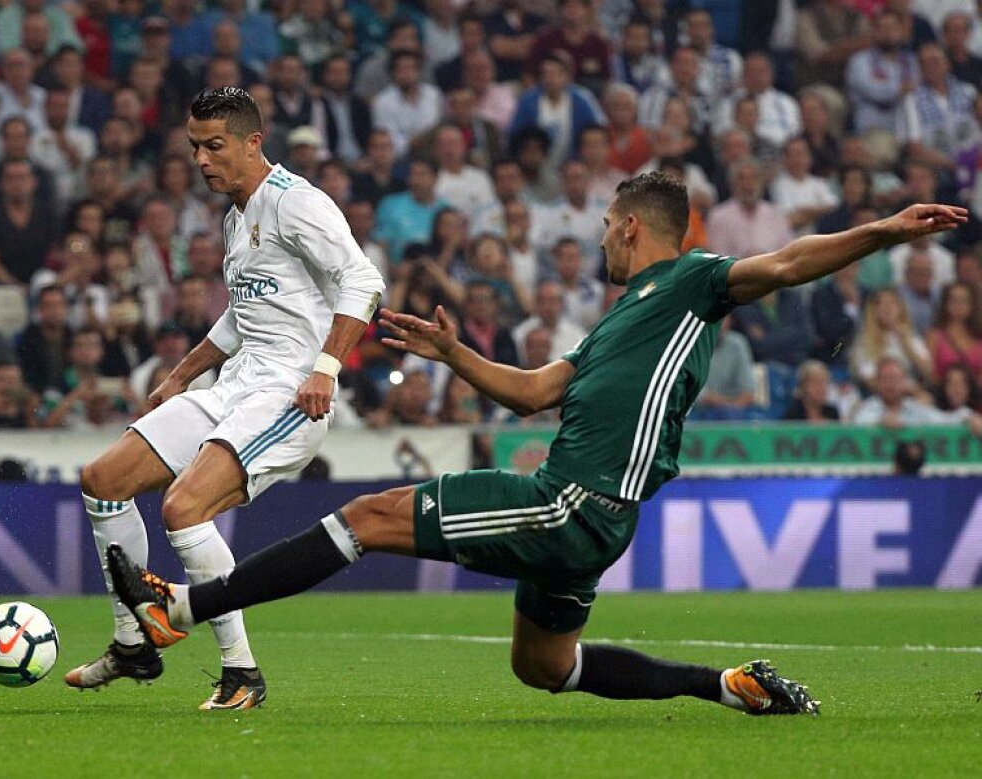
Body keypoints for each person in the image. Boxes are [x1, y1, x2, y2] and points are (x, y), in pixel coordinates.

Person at [107, 176, 965, 716]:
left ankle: (183, 610)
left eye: (603, 224)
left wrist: (884, 231)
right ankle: (725, 683)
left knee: (368, 514)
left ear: (632, 227)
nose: (598, 238)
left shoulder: (696, 279)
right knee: (545, 667)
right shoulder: (622, 319)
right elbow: (534, 390)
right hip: (592, 514)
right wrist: (453, 354)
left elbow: (785, 262)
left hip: (574, 497)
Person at [65, 87, 385, 711]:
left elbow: (364, 279)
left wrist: (324, 368)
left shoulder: (297, 204)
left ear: (252, 143)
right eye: (194, 148)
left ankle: (241, 673)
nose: (203, 160)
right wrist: (180, 377)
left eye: (215, 147)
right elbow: (245, 317)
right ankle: (134, 644)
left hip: (291, 395)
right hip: (236, 384)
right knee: (103, 479)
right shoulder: (236, 216)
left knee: (183, 509)